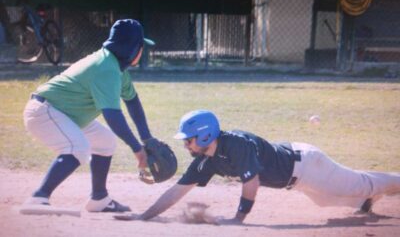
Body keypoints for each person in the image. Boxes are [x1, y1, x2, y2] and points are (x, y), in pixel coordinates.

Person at [119, 110, 400, 224]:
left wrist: (237, 219)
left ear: (205, 135)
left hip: (308, 164)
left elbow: (251, 185)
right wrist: (143, 216)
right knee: (328, 202)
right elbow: (177, 192)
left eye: (189, 140)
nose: (186, 146)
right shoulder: (205, 160)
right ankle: (367, 200)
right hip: (297, 179)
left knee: (360, 183)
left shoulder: (236, 144)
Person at [23, 19, 156, 212]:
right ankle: (39, 197)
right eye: (141, 46)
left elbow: (133, 102)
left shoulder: (117, 68)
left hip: (65, 114)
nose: (143, 51)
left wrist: (147, 139)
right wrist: (137, 149)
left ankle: (99, 199)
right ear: (132, 48)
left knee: (105, 141)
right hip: (45, 112)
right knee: (77, 148)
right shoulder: (106, 69)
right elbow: (113, 117)